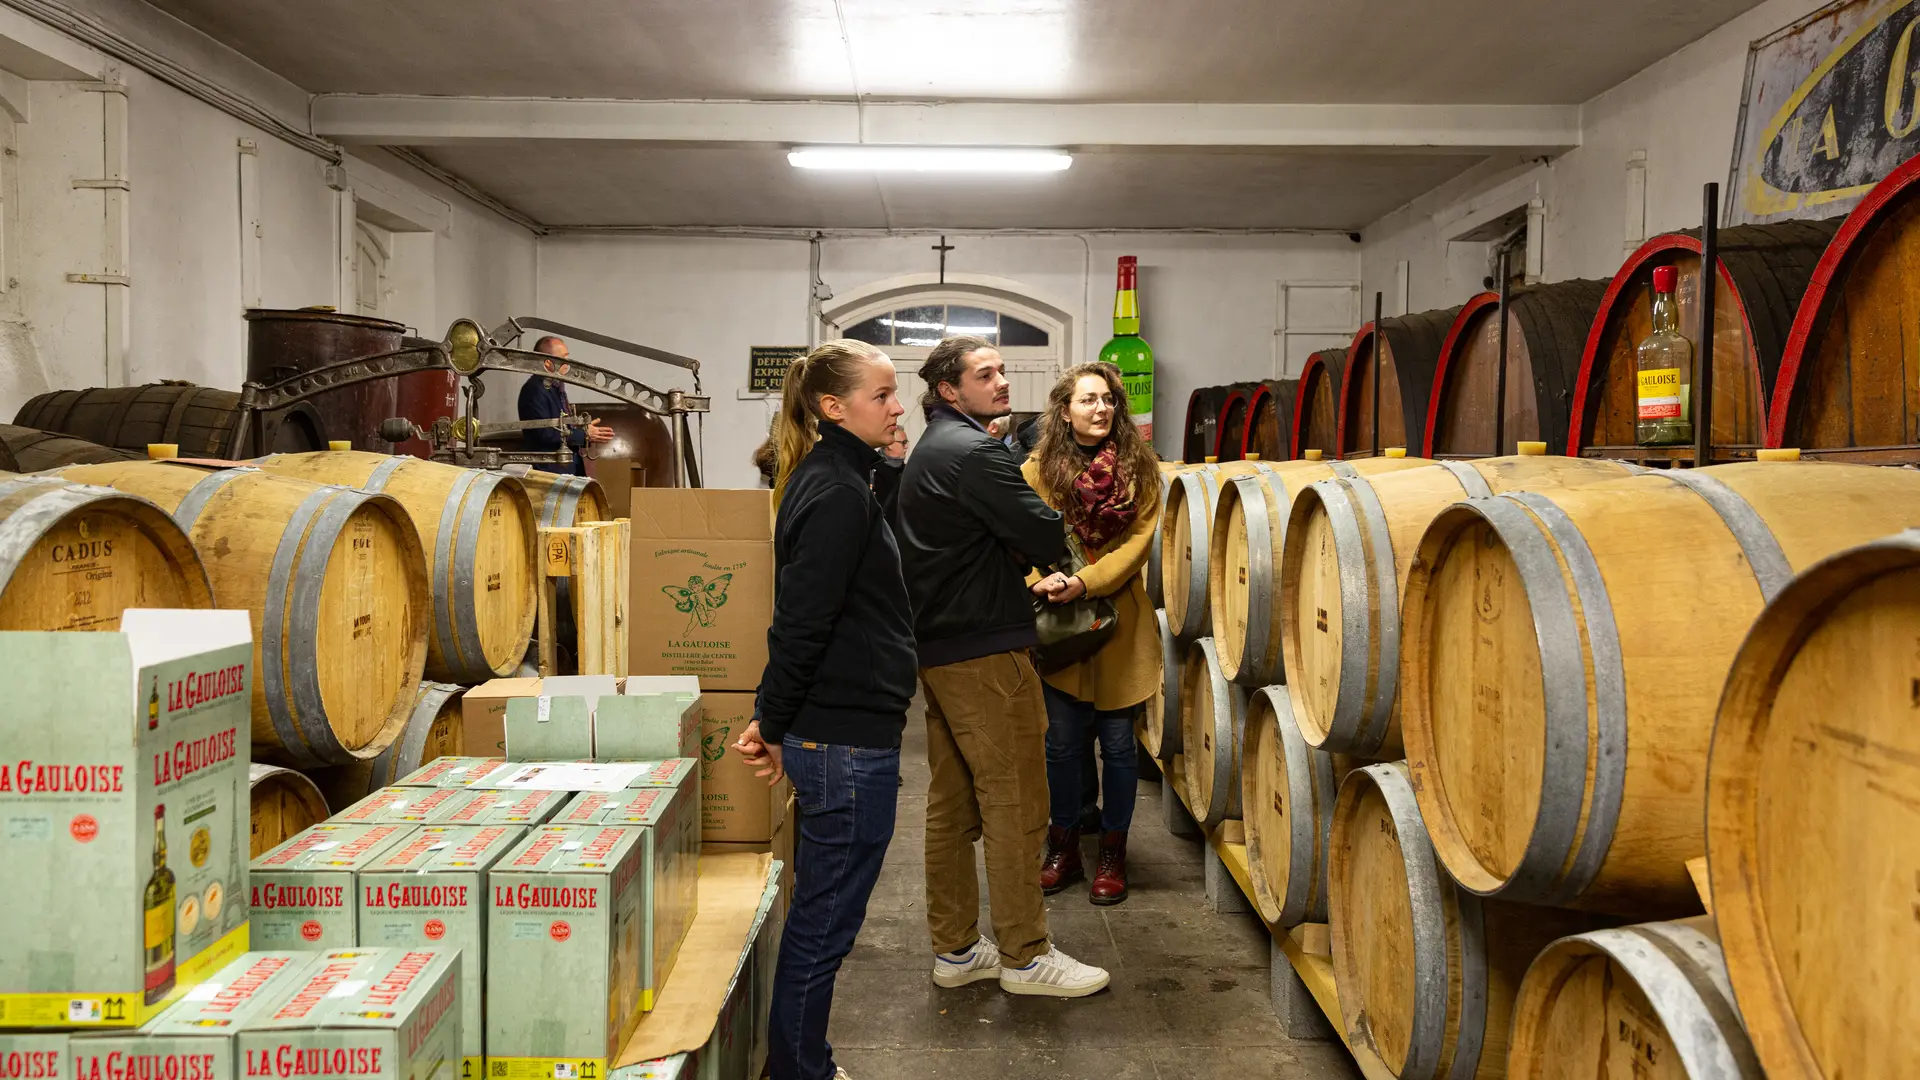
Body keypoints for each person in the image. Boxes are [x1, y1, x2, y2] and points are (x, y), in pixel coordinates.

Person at [896, 334, 1112, 998]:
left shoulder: (933, 448)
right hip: (986, 650)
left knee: (953, 803)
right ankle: (1026, 954)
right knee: (1018, 801)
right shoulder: (975, 450)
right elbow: (1045, 532)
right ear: (948, 391)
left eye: (1001, 369)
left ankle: (958, 949)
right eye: (984, 374)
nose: (1001, 380)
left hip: (943, 649)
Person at [731, 339, 916, 1080]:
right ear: (834, 407)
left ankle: (803, 1061)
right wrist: (771, 722)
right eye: (883, 394)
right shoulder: (837, 490)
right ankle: (797, 1071)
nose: (898, 406)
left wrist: (775, 721)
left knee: (824, 918)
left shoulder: (840, 476)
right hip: (843, 741)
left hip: (838, 731)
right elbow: (801, 622)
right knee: (823, 926)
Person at [1024, 363, 1163, 906]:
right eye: (1088, 400)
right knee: (1060, 745)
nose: (1100, 409)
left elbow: (1138, 545)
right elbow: (1017, 535)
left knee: (1120, 746)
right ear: (1065, 410)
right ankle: (1063, 845)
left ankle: (1113, 850)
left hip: (1119, 622)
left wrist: (1084, 581)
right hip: (1061, 625)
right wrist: (1042, 581)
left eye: (1107, 399)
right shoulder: (1038, 469)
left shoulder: (1140, 467)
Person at [518, 336, 614, 474]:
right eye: (563, 358)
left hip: (563, 467)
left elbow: (559, 425)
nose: (567, 364)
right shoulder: (534, 390)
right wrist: (584, 434)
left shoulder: (554, 386)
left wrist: (581, 428)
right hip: (550, 470)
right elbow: (543, 433)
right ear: (547, 363)